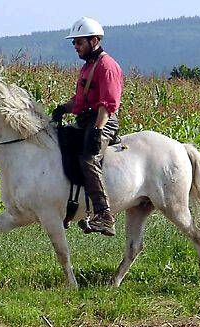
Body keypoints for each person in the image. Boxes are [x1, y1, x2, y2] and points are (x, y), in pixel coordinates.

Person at [52, 17, 123, 237]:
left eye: (79, 42)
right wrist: (63, 108)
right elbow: (81, 101)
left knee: (88, 158)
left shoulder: (106, 66)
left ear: (94, 41)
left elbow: (107, 104)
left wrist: (97, 131)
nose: (75, 47)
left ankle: (105, 215)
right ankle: (74, 207)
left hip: (104, 120)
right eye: (74, 43)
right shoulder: (87, 67)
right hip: (86, 119)